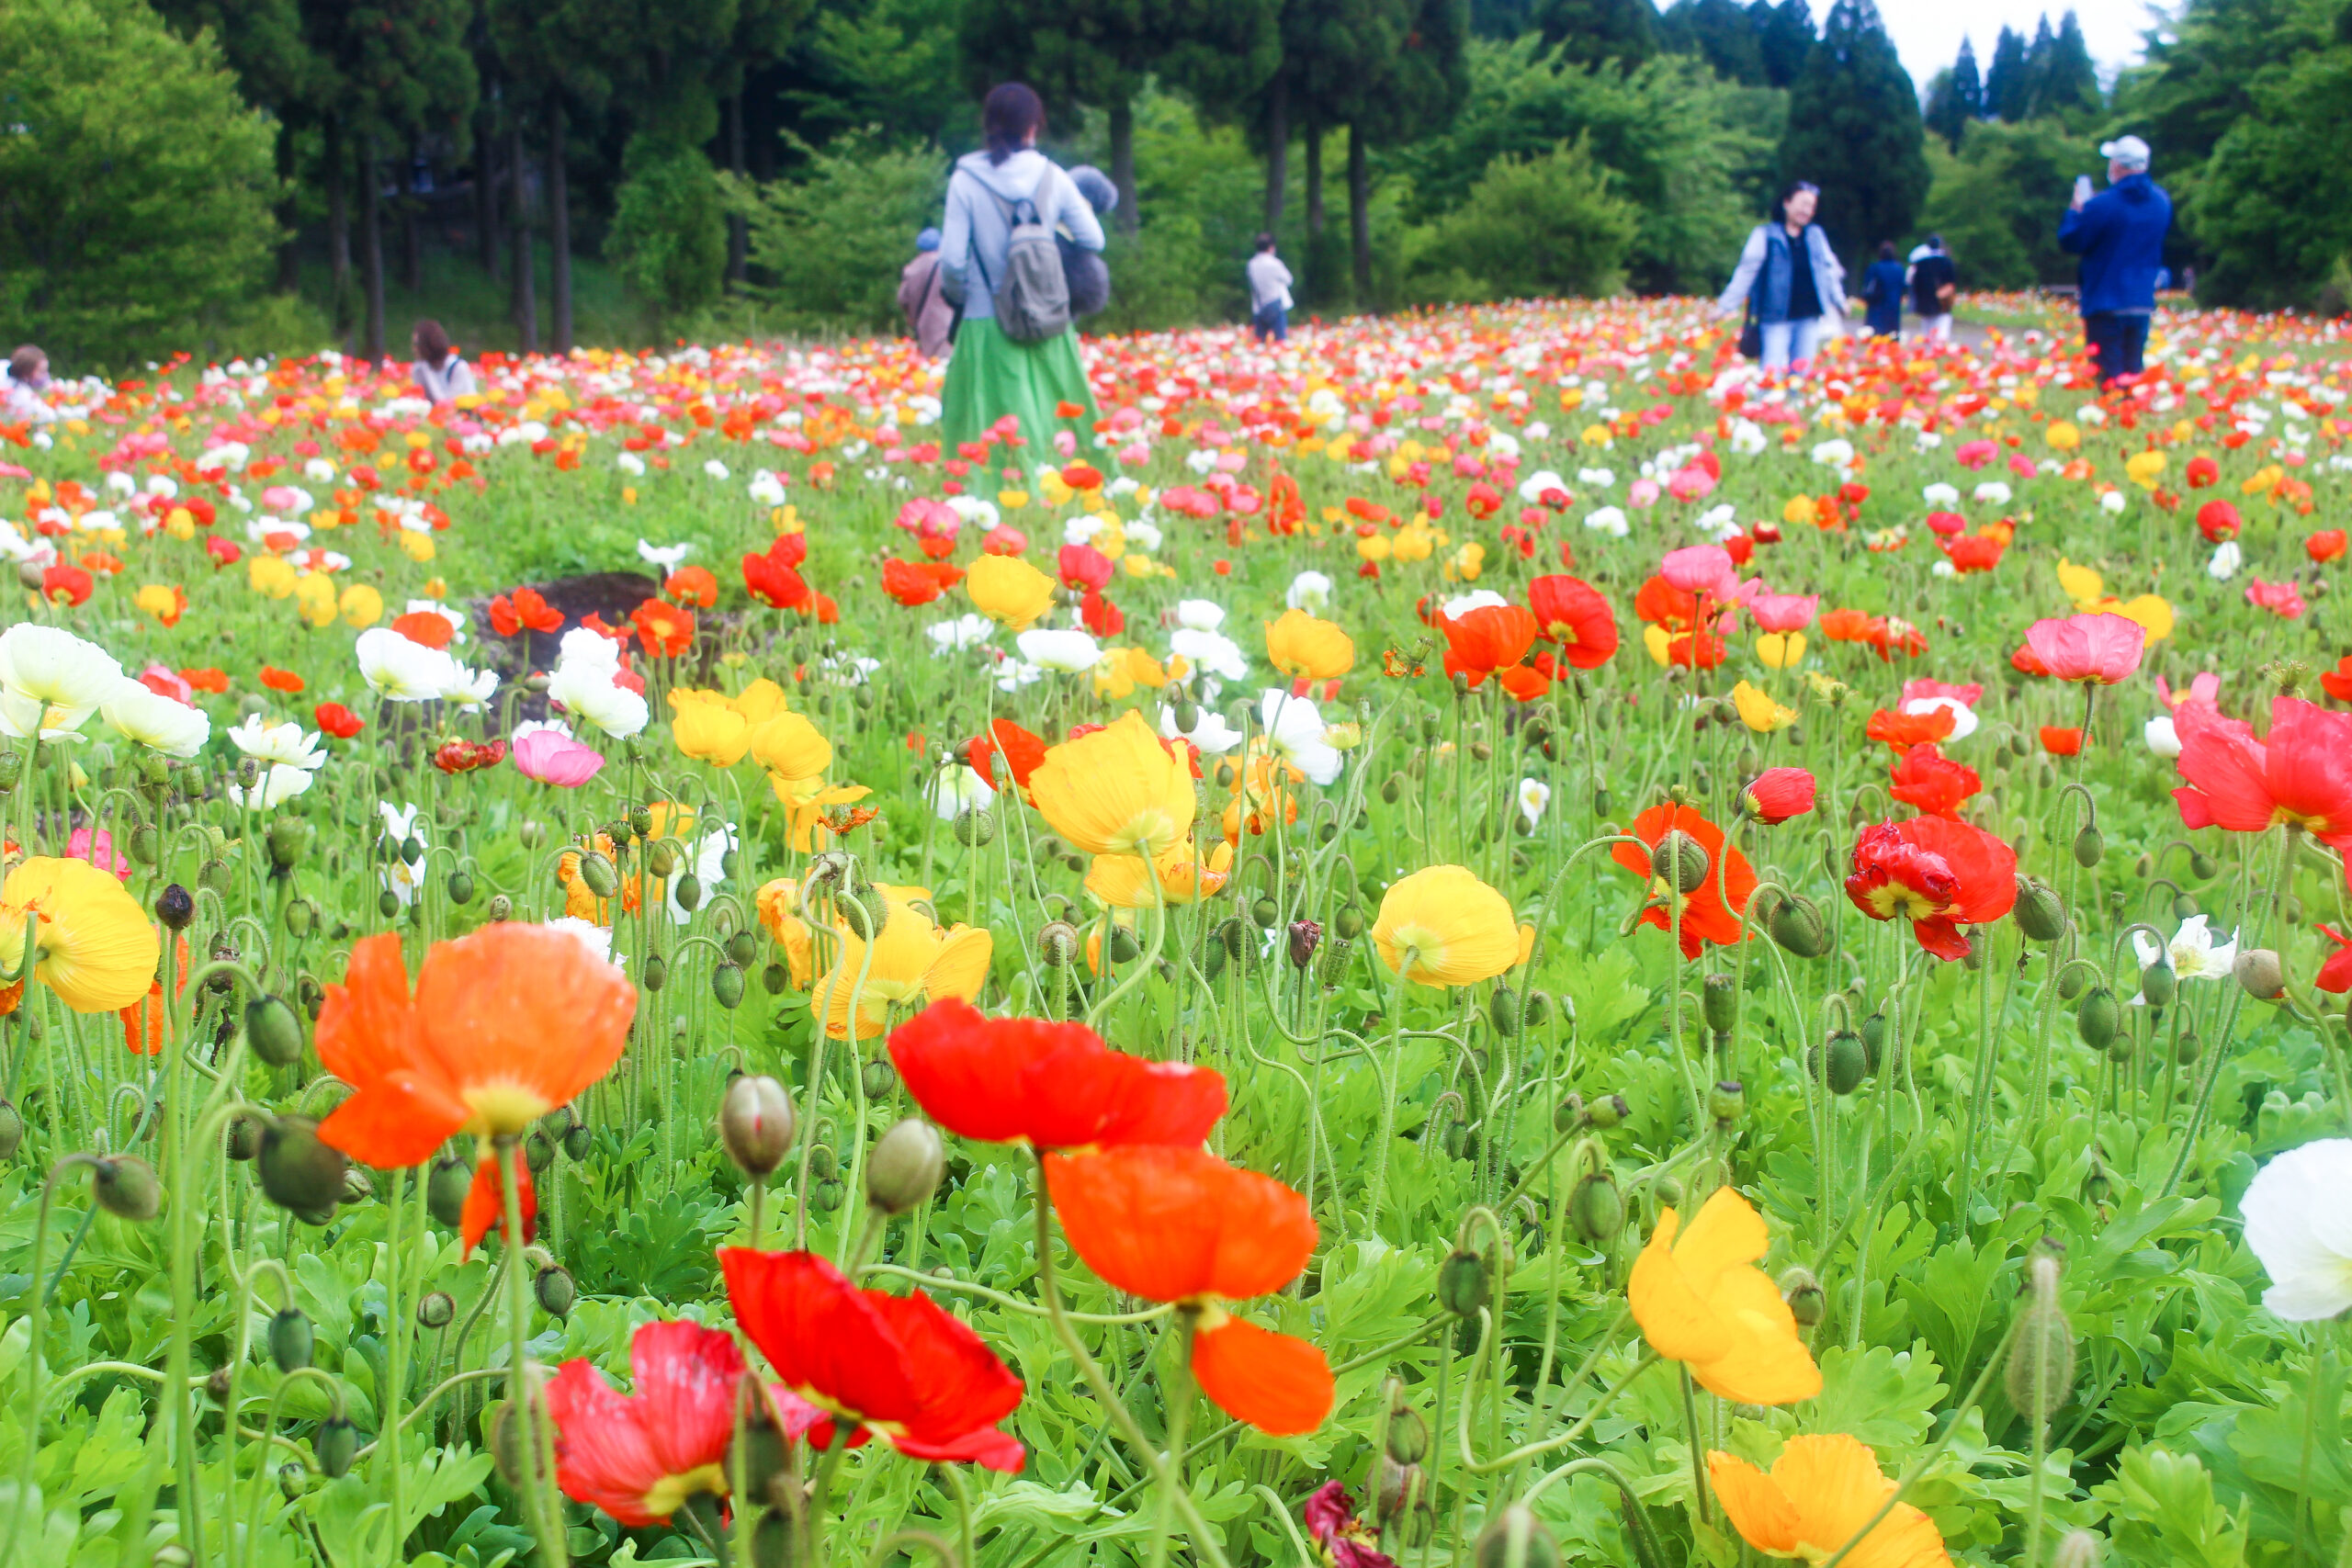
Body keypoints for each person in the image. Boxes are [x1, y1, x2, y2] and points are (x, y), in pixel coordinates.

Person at [937, 83, 1105, 453]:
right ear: (1033, 126)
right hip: (1046, 316)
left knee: (989, 426)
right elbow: (1094, 239)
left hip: (985, 318)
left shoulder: (964, 180)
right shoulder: (1053, 176)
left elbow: (951, 261)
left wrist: (965, 295)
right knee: (1054, 416)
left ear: (988, 125)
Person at [2059, 134, 2172, 384]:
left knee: (2109, 379)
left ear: (2117, 166)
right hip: (2141, 300)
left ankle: (2114, 419)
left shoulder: (2102, 204)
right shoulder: (2162, 202)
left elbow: (2072, 241)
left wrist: (2075, 211)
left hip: (2105, 302)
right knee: (2133, 375)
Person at [1716, 181, 1846, 372]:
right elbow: (1746, 271)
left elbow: (1829, 271)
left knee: (1801, 374)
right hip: (1775, 317)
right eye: (1803, 204)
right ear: (1786, 203)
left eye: (1811, 207)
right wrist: (1725, 306)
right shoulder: (1765, 235)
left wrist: (1840, 301)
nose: (1807, 211)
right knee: (1771, 372)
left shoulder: (1815, 235)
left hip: (1809, 316)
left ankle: (1795, 402)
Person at [898, 228, 956, 361]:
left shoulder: (911, 269)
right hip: (945, 326)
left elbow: (902, 299)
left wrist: (912, 316)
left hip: (922, 328)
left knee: (925, 370)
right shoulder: (945, 265)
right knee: (943, 368)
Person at [411, 321, 478, 403]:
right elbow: (419, 400)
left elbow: (446, 404)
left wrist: (427, 370)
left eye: (417, 345)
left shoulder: (458, 367)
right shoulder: (420, 367)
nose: (414, 349)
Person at [1907, 235, 1956, 342]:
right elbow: (1951, 284)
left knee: (1927, 333)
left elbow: (1915, 285)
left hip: (1925, 303)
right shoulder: (1947, 262)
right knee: (1941, 333)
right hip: (1942, 303)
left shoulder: (1921, 263)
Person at [1247, 232, 1294, 343]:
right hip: (1275, 303)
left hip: (1258, 305)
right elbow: (1289, 280)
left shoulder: (1252, 264)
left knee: (1260, 341)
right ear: (1271, 247)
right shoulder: (1275, 263)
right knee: (1280, 341)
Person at [1860, 242, 1907, 338]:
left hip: (1877, 304)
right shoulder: (1899, 269)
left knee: (1876, 334)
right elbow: (1903, 287)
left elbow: (1868, 285)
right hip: (1893, 304)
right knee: (1892, 334)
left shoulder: (1875, 268)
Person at [3, 345, 55, 423]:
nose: (45, 376)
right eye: (41, 371)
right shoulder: (23, 393)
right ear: (27, 372)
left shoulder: (5, 365)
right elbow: (49, 416)